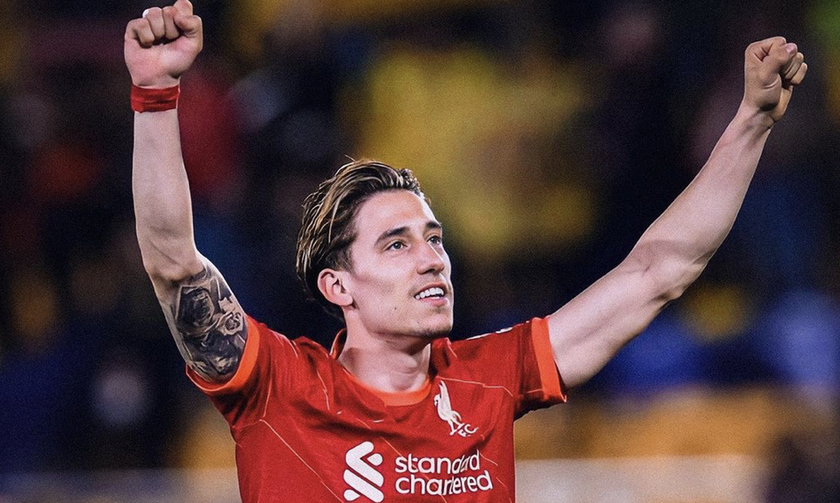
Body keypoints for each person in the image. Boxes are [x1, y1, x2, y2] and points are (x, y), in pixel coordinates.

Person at [124, 1, 807, 501]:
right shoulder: (278, 387)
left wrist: (750, 125)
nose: (432, 258)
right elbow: (174, 264)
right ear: (339, 285)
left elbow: (660, 270)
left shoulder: (489, 379)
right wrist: (156, 97)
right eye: (396, 244)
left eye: (434, 238)